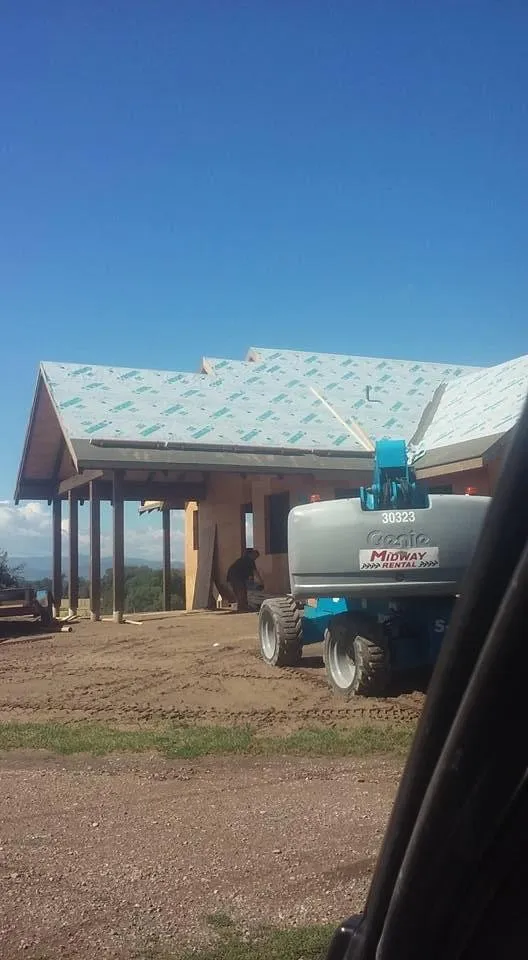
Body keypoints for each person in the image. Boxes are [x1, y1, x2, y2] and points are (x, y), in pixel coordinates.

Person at [226, 548, 263, 613]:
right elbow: (255, 572)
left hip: (234, 576)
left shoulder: (245, 559)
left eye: (256, 557)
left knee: (242, 591)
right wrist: (261, 582)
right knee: (241, 591)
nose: (255, 558)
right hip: (235, 576)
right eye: (255, 556)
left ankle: (243, 607)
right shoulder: (249, 560)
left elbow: (250, 575)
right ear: (252, 554)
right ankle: (242, 608)